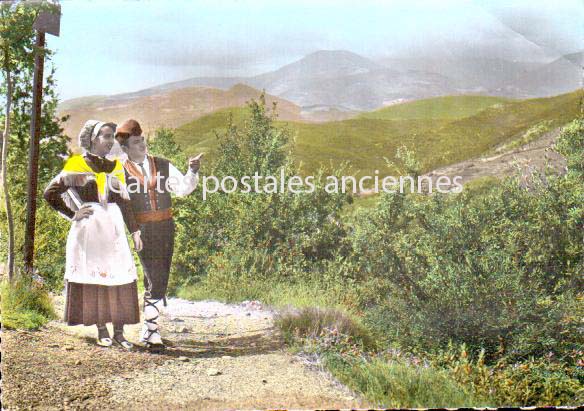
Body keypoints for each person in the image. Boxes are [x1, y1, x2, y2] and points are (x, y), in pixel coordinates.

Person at [44, 120, 143, 350]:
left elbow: (125, 204)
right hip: (90, 230)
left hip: (114, 229)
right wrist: (73, 214)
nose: (110, 142)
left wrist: (135, 231)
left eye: (112, 137)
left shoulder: (116, 167)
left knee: (119, 276)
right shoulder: (77, 164)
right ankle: (102, 330)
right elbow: (50, 193)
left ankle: (120, 333)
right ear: (92, 139)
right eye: (105, 136)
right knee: (97, 278)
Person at [114, 119, 201, 351]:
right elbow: (122, 206)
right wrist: (133, 232)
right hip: (142, 230)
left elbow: (182, 189)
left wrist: (192, 171)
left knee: (157, 277)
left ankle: (149, 328)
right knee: (157, 279)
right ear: (125, 148)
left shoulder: (162, 164)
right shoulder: (119, 171)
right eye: (136, 142)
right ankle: (151, 331)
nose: (142, 144)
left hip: (166, 227)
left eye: (142, 140)